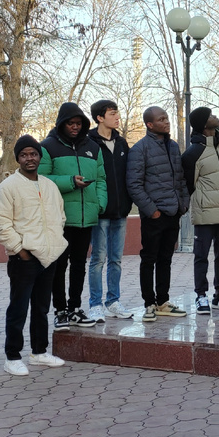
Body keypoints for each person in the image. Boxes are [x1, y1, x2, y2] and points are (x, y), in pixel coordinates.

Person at [0, 136, 69, 376]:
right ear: (18, 159)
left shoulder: (49, 185)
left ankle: (39, 352)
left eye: (33, 154)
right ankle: (12, 356)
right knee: (19, 308)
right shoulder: (8, 187)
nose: (29, 158)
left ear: (39, 156)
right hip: (23, 259)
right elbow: (0, 223)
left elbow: (60, 216)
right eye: (24, 155)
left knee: (42, 307)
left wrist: (55, 244)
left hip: (49, 256)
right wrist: (20, 250)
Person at [40, 103, 107, 331]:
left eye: (79, 124)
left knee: (79, 265)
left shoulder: (93, 148)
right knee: (59, 266)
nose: (75, 127)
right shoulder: (48, 147)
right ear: (62, 123)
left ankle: (75, 308)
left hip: (85, 218)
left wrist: (99, 203)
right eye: (71, 123)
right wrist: (70, 182)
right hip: (59, 219)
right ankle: (60, 312)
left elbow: (100, 179)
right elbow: (42, 179)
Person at [126, 107, 189, 322]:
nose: (167, 122)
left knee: (166, 259)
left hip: (173, 213)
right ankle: (149, 304)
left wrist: (183, 205)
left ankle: (163, 302)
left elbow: (179, 179)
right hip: (154, 215)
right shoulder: (139, 149)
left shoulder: (172, 147)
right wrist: (151, 211)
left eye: (167, 118)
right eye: (161, 119)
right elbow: (134, 184)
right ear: (149, 124)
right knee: (149, 259)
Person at [182, 107, 219, 314]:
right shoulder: (193, 152)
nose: (214, 116)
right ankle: (200, 296)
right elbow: (189, 185)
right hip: (205, 214)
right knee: (201, 256)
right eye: (209, 114)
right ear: (202, 124)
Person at [87, 99, 134, 322]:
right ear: (99, 117)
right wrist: (97, 204)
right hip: (100, 213)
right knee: (98, 258)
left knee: (116, 259)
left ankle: (113, 301)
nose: (117, 117)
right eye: (112, 113)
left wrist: (127, 203)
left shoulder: (122, 143)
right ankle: (95, 305)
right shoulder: (89, 143)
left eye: (117, 113)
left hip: (121, 211)